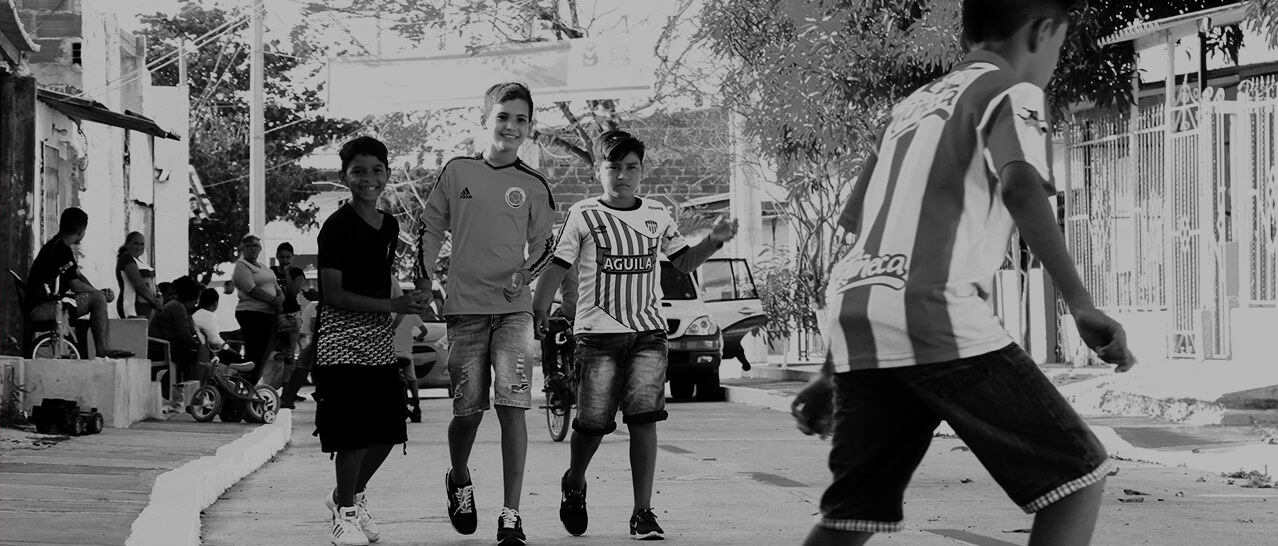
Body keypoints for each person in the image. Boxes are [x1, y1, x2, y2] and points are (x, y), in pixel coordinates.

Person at [789, 2, 1137, 545]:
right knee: (1078, 476)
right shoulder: (1010, 91)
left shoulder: (906, 109)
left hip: (860, 317)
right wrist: (1080, 302)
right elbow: (1020, 184)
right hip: (936, 311)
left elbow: (859, 236)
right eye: (1060, 44)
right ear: (1042, 31)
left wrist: (832, 370)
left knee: (851, 513)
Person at [532, 130, 739, 540]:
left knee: (645, 421)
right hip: (597, 336)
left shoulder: (658, 214)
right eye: (614, 168)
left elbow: (682, 263)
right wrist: (539, 308)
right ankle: (574, 483)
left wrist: (713, 241)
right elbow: (557, 265)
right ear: (599, 170)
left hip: (648, 334)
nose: (623, 176)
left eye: (631, 168)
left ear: (642, 171)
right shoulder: (584, 214)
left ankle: (642, 512)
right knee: (592, 425)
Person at [414, 81, 556, 546]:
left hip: (513, 313)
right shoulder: (457, 172)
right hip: (465, 312)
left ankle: (511, 515)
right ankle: (459, 478)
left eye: (520, 119)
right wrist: (425, 279)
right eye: (503, 116)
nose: (511, 126)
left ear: (530, 128)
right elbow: (430, 226)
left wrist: (525, 275)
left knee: (513, 407)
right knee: (469, 411)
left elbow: (544, 245)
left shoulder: (534, 185)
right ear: (485, 119)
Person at [315, 136, 427, 546]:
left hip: (379, 343)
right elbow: (335, 294)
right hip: (340, 344)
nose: (368, 179)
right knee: (351, 434)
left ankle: (348, 496)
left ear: (387, 174)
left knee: (388, 430)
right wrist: (391, 302)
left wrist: (406, 303)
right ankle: (344, 516)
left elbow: (382, 284)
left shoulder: (390, 225)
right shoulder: (336, 227)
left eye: (376, 170)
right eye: (358, 171)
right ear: (345, 176)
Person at [26, 207, 133, 359]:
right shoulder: (61, 250)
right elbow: (75, 285)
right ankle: (102, 349)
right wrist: (99, 295)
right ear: (82, 230)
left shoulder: (59, 246)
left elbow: (78, 275)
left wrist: (97, 291)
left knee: (97, 298)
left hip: (46, 305)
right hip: (43, 309)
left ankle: (93, 350)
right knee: (97, 300)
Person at [232, 234, 281, 386]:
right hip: (251, 312)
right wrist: (273, 300)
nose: (252, 249)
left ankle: (250, 384)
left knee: (262, 353)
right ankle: (244, 383)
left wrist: (279, 298)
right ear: (242, 249)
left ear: (259, 248)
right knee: (253, 351)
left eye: (254, 245)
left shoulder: (264, 267)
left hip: (268, 314)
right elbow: (251, 289)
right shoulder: (242, 266)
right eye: (248, 246)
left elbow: (277, 287)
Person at [148, 276, 202, 384]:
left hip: (165, 346)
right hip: (160, 348)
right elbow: (184, 334)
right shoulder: (177, 307)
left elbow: (191, 330)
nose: (195, 304)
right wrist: (198, 348)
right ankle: (191, 386)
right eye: (195, 300)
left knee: (195, 354)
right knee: (196, 356)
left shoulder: (180, 307)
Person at [268, 242, 307, 388]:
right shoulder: (271, 271)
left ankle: (287, 387)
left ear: (292, 257)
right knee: (273, 351)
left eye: (287, 257)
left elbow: (292, 292)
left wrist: (287, 273)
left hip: (290, 315)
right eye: (282, 257)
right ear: (277, 256)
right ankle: (272, 385)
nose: (284, 260)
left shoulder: (297, 272)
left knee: (288, 354)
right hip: (274, 314)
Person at [192, 287, 254, 373]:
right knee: (240, 360)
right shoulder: (208, 315)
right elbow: (214, 340)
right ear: (215, 303)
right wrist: (228, 348)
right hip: (210, 351)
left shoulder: (196, 313)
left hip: (204, 349)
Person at [390, 278, 424, 423]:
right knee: (412, 378)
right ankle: (416, 403)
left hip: (391, 354)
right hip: (406, 354)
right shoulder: (412, 314)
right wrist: (417, 338)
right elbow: (424, 331)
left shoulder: (389, 313)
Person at [114, 231, 160, 319]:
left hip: (145, 309)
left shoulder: (141, 261)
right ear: (127, 244)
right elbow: (139, 285)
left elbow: (152, 284)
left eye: (142, 244)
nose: (139, 247)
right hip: (132, 309)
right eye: (136, 244)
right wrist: (154, 302)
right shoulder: (126, 258)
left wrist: (159, 296)